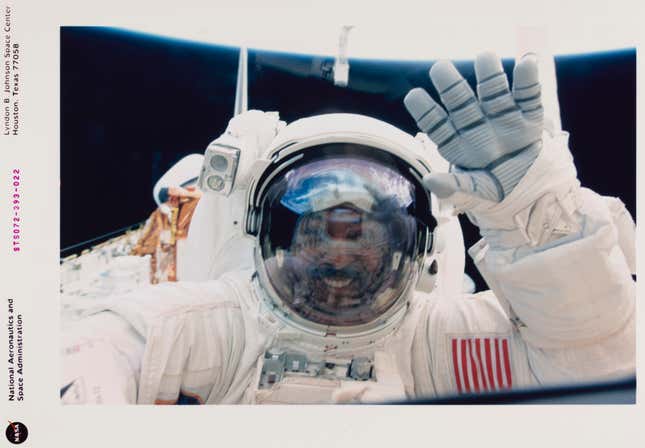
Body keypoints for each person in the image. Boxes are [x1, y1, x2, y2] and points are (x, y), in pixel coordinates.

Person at [60, 52, 635, 404]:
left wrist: (537, 220)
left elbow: (594, 362)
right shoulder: (202, 330)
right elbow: (98, 354)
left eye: (362, 230)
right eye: (319, 228)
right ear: (268, 232)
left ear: (414, 245)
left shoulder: (440, 342)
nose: (339, 248)